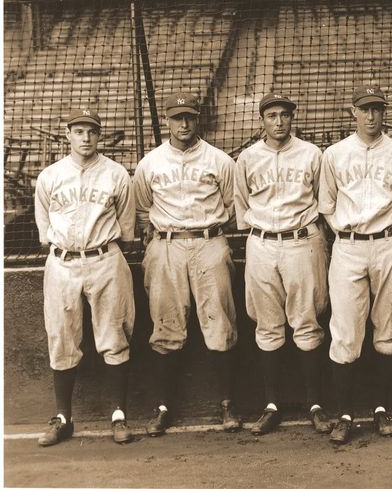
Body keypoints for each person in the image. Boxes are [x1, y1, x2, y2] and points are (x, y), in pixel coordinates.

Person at [133, 91, 240, 436]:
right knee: (166, 327)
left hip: (209, 240)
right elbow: (141, 208)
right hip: (167, 245)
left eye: (189, 117)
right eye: (177, 117)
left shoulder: (220, 160)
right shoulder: (150, 163)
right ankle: (163, 407)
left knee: (220, 323)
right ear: (167, 120)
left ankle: (227, 404)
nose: (183, 123)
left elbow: (232, 204)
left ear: (198, 119)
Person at [318, 86, 392, 444]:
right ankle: (344, 414)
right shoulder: (335, 154)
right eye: (365, 109)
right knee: (345, 331)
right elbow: (327, 205)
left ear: (384, 112)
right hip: (349, 245)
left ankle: (381, 408)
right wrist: (346, 234)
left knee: (389, 330)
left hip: (390, 242)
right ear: (353, 112)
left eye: (377, 108)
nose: (372, 115)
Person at [34, 108, 136, 445]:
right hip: (62, 262)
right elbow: (44, 228)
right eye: (79, 131)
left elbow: (125, 227)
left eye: (92, 131)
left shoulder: (116, 174)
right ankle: (63, 417)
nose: (86, 137)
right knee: (61, 338)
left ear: (99, 135)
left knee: (114, 336)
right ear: (68, 135)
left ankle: (118, 416)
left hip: (105, 258)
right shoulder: (50, 176)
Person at [234, 93, 332, 436]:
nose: (278, 121)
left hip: (303, 240)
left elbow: (324, 201)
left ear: (293, 118)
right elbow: (241, 205)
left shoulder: (311, 154)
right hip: (261, 241)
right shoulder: (247, 158)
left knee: (307, 322)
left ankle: (315, 404)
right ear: (262, 120)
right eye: (272, 115)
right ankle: (272, 404)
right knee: (267, 324)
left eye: (284, 115)